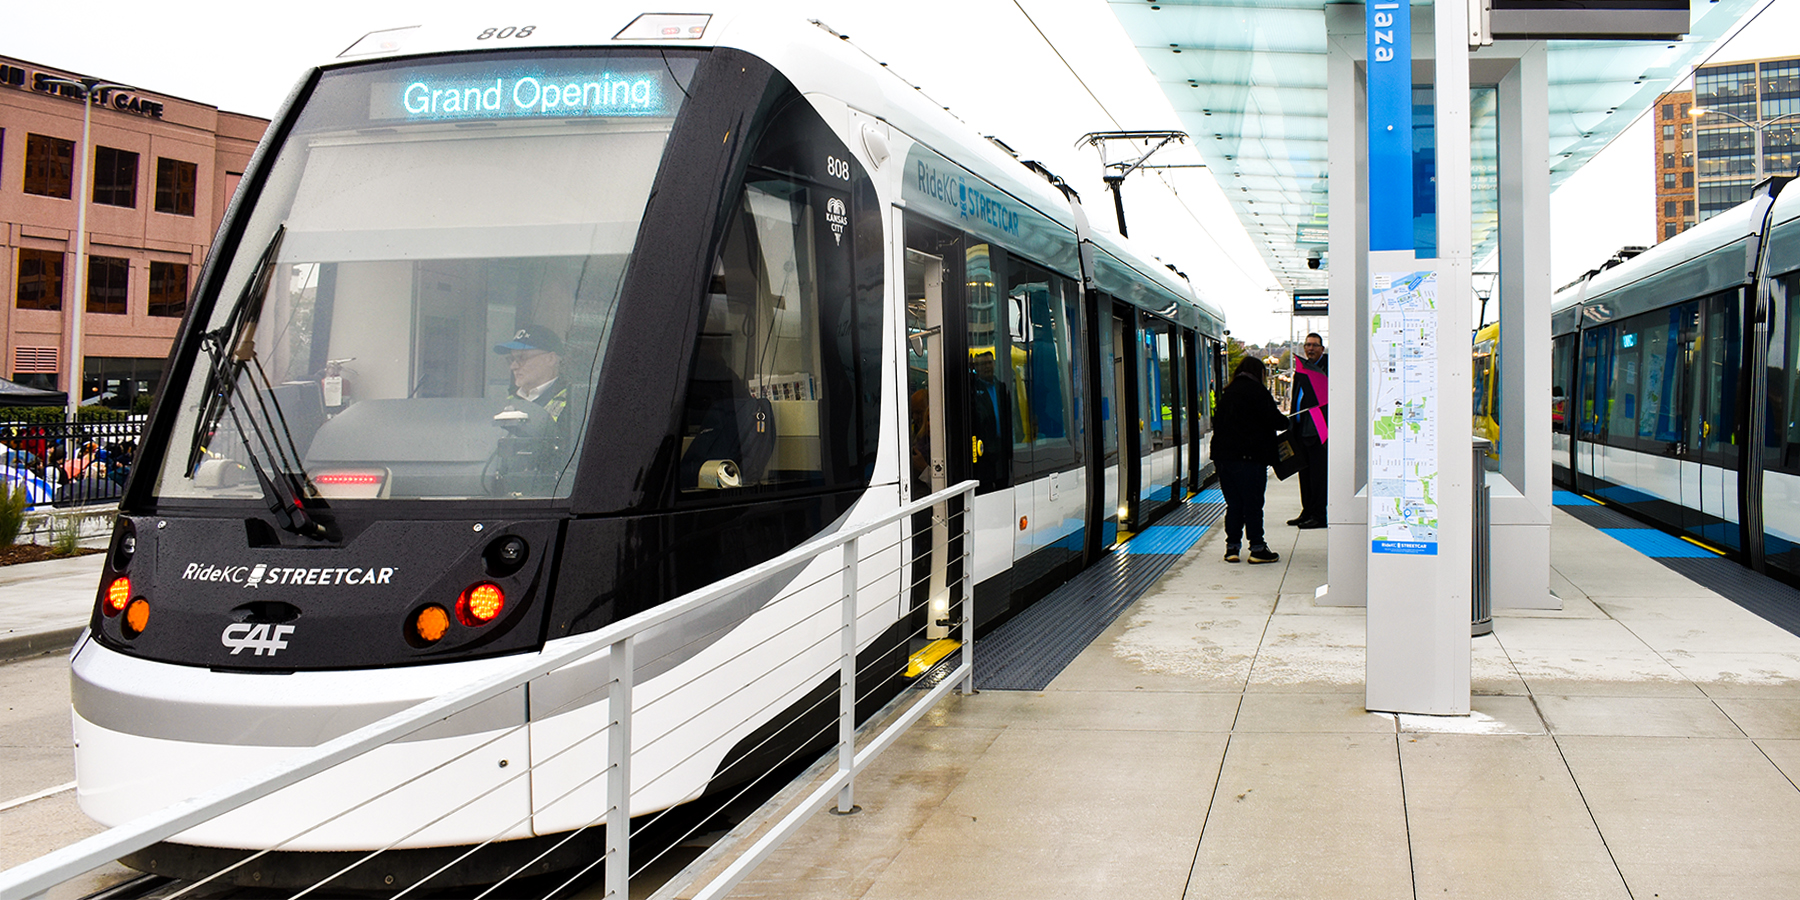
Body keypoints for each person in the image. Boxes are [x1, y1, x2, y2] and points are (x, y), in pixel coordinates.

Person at [1211, 356, 1290, 564]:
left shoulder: (1228, 393)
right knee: (1253, 503)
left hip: (1224, 458)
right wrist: (1287, 422)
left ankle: (1232, 548)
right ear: (1260, 373)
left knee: (1234, 503)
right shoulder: (1258, 392)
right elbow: (1276, 420)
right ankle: (1257, 547)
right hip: (1250, 459)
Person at [1288, 332, 1329, 528]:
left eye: (1314, 345)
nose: (1310, 349)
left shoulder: (1326, 369)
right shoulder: (1301, 371)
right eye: (1307, 345)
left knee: (1318, 475)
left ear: (1322, 348)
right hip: (1299, 430)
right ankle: (1307, 510)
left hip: (1318, 430)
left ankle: (1319, 514)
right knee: (1303, 473)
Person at [493, 324, 569, 422]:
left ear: (550, 359)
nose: (513, 366)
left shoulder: (573, 402)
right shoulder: (507, 402)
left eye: (522, 358)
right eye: (511, 359)